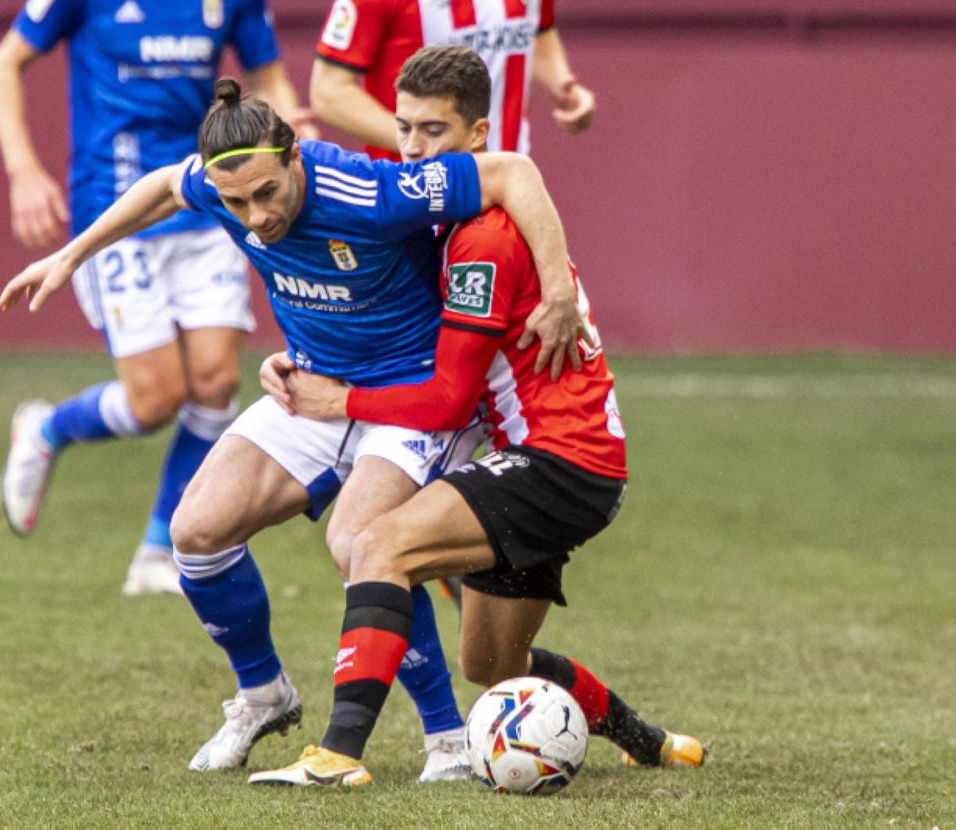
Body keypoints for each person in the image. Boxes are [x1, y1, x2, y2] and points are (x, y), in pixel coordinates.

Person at [0, 78, 589, 779]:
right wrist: (73, 256)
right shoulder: (224, 182)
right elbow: (162, 186)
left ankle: (447, 739)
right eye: (236, 202)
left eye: (267, 193)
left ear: (296, 157)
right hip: (310, 391)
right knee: (197, 532)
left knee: (360, 544)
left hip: (408, 402)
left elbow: (514, 172)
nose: (255, 216)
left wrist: (558, 292)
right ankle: (263, 694)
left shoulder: (371, 191)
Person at [248, 46, 704, 787]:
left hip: (556, 461)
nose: (413, 148)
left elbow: (447, 402)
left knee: (376, 545)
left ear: (477, 136)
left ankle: (337, 756)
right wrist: (307, 358)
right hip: (573, 464)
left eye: (433, 132)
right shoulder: (448, 219)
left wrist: (341, 403)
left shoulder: (484, 237)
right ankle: (646, 740)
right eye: (404, 129)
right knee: (491, 666)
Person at [0, 0, 314, 595]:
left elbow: (266, 74)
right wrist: (22, 171)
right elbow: (5, 63)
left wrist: (295, 135)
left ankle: (160, 550)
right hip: (116, 208)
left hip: (209, 198)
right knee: (155, 399)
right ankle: (48, 429)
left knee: (215, 382)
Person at [312, 0, 595, 161]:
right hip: (415, 195)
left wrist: (562, 83)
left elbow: (536, 31)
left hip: (509, 181)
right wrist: (422, 142)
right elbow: (329, 92)